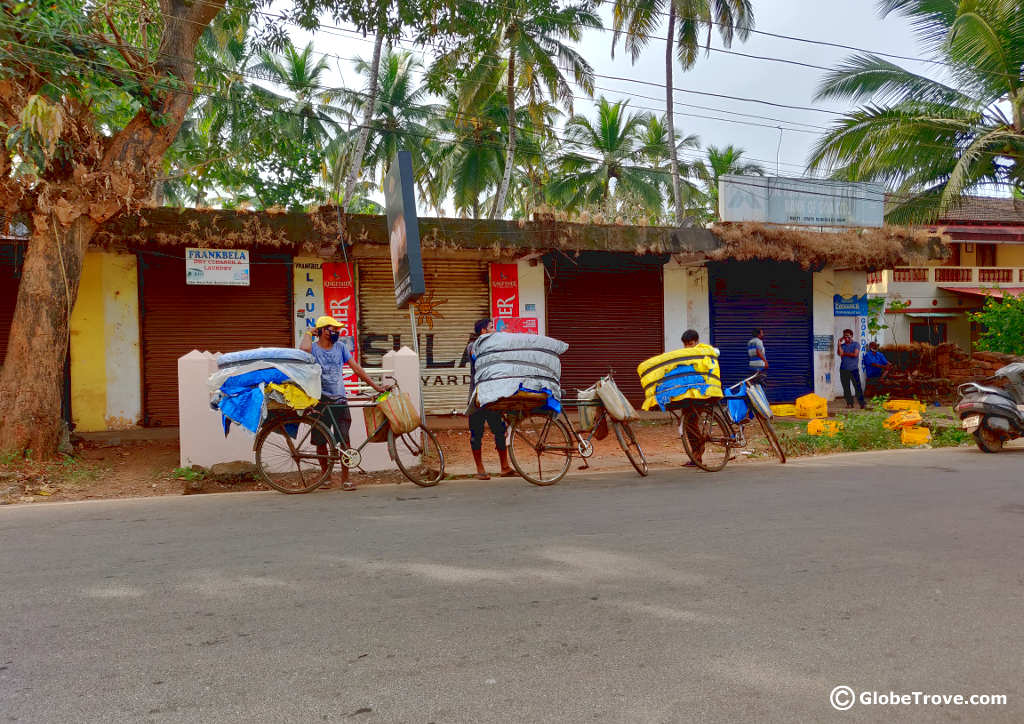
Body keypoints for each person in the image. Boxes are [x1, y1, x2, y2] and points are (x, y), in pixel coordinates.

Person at [299, 315, 386, 490]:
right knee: (321, 442)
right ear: (323, 331)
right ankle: (326, 477)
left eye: (338, 329)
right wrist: (309, 332)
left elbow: (356, 368)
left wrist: (375, 386)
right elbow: (304, 350)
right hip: (319, 401)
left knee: (344, 440)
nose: (337, 332)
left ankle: (346, 479)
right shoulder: (314, 349)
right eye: (333, 329)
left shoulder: (340, 347)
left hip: (339, 399)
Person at [466, 318, 515, 480]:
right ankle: (480, 469)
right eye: (491, 327)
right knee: (476, 433)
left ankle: (505, 467)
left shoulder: (495, 347)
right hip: (478, 397)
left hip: (493, 397)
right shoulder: (472, 347)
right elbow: (475, 357)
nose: (494, 329)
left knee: (500, 431)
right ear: (483, 331)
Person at [679, 329, 707, 468]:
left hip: (699, 394)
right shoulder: (686, 356)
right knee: (687, 423)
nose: (688, 347)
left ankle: (698, 453)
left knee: (690, 422)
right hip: (688, 394)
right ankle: (696, 455)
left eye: (690, 344)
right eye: (685, 345)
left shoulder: (702, 354)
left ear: (696, 342)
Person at [837, 328, 866, 409]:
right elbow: (839, 353)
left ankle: (862, 403)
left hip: (853, 370)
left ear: (852, 336)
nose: (846, 338)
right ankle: (849, 403)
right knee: (846, 388)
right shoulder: (842, 345)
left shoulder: (856, 344)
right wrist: (839, 344)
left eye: (848, 337)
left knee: (857, 387)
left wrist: (844, 353)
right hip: (843, 370)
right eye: (845, 337)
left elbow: (855, 354)